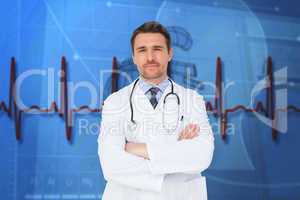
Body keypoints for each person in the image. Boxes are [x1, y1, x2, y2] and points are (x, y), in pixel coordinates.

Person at [98, 21, 214, 200]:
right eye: (142, 50)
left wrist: (136, 149)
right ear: (134, 57)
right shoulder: (114, 102)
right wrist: (176, 151)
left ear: (170, 53)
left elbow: (202, 156)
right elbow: (111, 164)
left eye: (157, 49)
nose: (150, 57)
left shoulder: (193, 100)